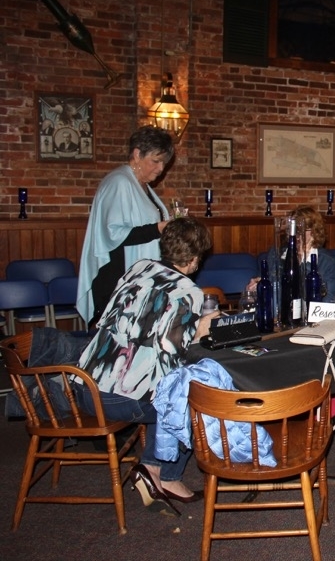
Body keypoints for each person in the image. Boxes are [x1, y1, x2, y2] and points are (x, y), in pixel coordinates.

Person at [75, 217, 216, 513]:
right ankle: (167, 477)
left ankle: (151, 467)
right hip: (117, 399)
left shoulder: (138, 268)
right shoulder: (187, 291)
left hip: (84, 385)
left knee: (164, 390)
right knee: (192, 400)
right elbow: (173, 356)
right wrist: (199, 330)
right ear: (195, 258)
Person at [76, 126, 173, 324]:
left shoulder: (140, 184)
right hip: (118, 277)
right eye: (156, 161)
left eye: (164, 162)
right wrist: (158, 228)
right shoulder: (119, 182)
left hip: (137, 274)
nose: (161, 168)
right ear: (137, 154)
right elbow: (114, 234)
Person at [265, 205, 335, 302]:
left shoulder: (327, 261)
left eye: (301, 229)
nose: (296, 234)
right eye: (293, 229)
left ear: (314, 231)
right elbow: (271, 293)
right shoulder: (276, 254)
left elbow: (329, 299)